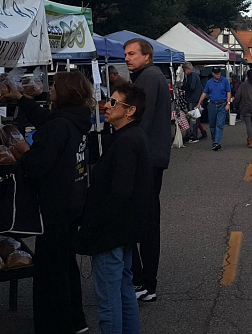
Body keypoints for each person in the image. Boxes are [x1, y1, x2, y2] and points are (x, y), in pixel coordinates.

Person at [11, 71, 92, 334]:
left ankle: (55, 324)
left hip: (54, 206)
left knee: (51, 270)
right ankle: (74, 319)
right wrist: (22, 99)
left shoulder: (60, 126)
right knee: (66, 264)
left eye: (54, 87)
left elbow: (37, 166)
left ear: (64, 92)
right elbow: (49, 121)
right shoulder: (76, 120)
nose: (51, 91)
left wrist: (24, 152)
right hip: (73, 203)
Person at [79, 79, 154, 334]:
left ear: (129, 110)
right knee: (123, 291)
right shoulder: (132, 136)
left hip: (111, 231)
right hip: (124, 230)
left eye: (113, 102)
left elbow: (120, 191)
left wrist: (93, 221)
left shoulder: (126, 141)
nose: (106, 106)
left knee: (110, 300)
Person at [125, 38, 172, 303]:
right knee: (147, 219)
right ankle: (144, 280)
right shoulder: (150, 76)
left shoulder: (148, 78)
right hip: (153, 157)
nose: (127, 58)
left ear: (147, 55)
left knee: (144, 220)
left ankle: (143, 281)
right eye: (126, 54)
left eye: (132, 53)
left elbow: (141, 118)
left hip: (147, 160)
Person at [197, 68, 232, 151]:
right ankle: (214, 142)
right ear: (213, 74)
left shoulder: (225, 81)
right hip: (212, 105)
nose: (218, 75)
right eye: (216, 73)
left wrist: (228, 103)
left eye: (219, 73)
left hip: (222, 104)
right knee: (212, 125)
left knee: (219, 124)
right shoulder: (209, 82)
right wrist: (199, 103)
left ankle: (217, 142)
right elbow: (204, 93)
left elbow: (228, 92)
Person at [232, 71, 252, 148]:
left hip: (245, 107)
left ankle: (250, 140)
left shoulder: (243, 86)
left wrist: (235, 105)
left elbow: (237, 96)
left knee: (248, 125)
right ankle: (251, 139)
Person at [180, 62, 206, 143]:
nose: (184, 71)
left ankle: (194, 136)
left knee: (193, 118)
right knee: (194, 118)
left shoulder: (192, 75)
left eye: (184, 69)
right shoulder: (195, 75)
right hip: (194, 99)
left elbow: (191, 86)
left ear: (188, 69)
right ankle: (194, 134)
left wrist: (182, 86)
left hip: (192, 99)